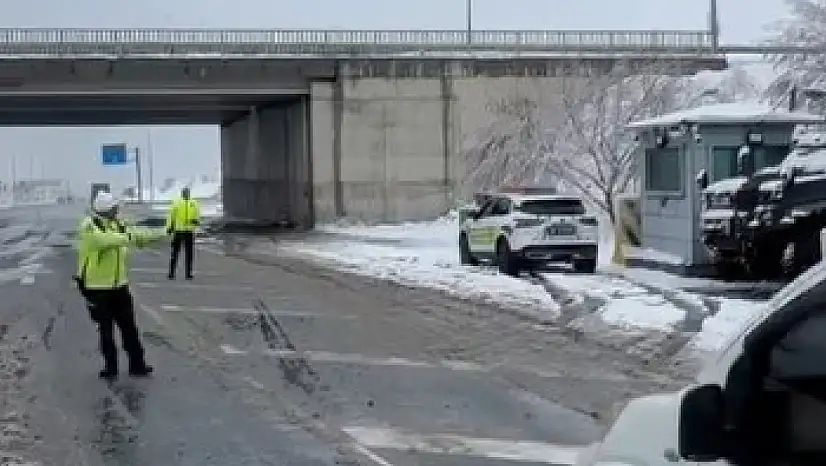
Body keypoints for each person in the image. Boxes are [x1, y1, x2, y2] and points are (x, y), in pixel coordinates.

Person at [74, 191, 166, 379]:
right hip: (97, 288)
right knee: (106, 331)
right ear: (106, 209)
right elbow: (103, 241)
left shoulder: (118, 225)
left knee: (130, 328)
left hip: (119, 287)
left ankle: (137, 365)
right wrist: (128, 237)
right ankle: (110, 368)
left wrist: (163, 233)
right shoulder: (89, 225)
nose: (117, 210)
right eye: (114, 207)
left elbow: (136, 235)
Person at [166, 187, 201, 280]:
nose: (186, 194)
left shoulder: (194, 203)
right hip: (178, 231)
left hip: (189, 231)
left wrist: (196, 221)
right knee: (175, 253)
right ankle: (171, 273)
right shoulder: (176, 203)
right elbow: (171, 216)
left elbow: (197, 215)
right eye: (185, 192)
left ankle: (188, 273)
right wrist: (169, 227)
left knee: (189, 254)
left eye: (187, 192)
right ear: (182, 193)